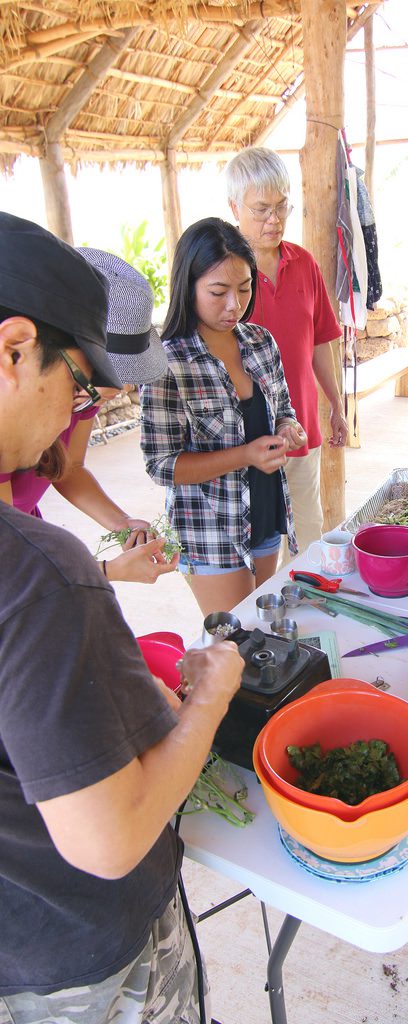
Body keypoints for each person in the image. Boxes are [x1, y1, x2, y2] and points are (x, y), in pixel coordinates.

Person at [0, 212, 244, 1021]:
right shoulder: (40, 573)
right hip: (76, 956)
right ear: (13, 350)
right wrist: (207, 698)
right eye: (79, 381)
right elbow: (108, 839)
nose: (85, 405)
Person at [141, 217, 306, 615]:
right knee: (234, 643)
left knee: (264, 628)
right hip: (212, 530)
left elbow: (283, 410)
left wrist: (288, 427)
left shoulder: (261, 342)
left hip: (267, 513)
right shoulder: (166, 363)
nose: (235, 304)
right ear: (189, 287)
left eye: (245, 288)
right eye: (218, 291)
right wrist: (245, 455)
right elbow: (162, 465)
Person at [0, 248, 177, 585]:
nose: (121, 388)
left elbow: (69, 468)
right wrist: (107, 572)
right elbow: (14, 576)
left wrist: (121, 522)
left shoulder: (78, 392)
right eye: (82, 384)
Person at [225, 146, 348, 561]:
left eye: (281, 207)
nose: (273, 220)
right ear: (234, 207)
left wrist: (337, 403)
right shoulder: (222, 276)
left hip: (302, 433)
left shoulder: (304, 264)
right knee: (253, 551)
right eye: (261, 209)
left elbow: (318, 342)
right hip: (247, 441)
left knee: (307, 545)